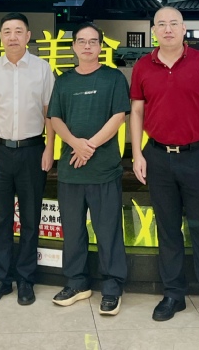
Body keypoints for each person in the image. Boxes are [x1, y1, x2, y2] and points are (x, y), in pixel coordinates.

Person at [129, 6, 199, 331]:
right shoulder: (143, 66)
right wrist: (137, 154)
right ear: (153, 31)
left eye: (174, 23)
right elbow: (137, 112)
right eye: (161, 24)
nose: (168, 29)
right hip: (157, 157)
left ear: (184, 28)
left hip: (195, 156)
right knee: (168, 229)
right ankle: (173, 294)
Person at [48, 22, 129, 316]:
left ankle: (112, 286)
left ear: (100, 46)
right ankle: (77, 283)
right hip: (71, 170)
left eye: (92, 41)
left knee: (108, 230)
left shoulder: (113, 78)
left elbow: (118, 116)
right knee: (72, 230)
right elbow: (55, 118)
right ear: (73, 46)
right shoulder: (64, 80)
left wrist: (89, 146)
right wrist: (74, 143)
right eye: (81, 41)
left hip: (104, 169)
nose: (86, 46)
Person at [0, 12, 55, 306]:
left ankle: (25, 279)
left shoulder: (42, 69)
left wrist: (50, 149)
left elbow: (50, 113)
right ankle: (2, 279)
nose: (13, 37)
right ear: (0, 36)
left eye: (18, 31)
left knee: (31, 218)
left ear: (28, 36)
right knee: (1, 218)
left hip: (33, 151)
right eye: (7, 31)